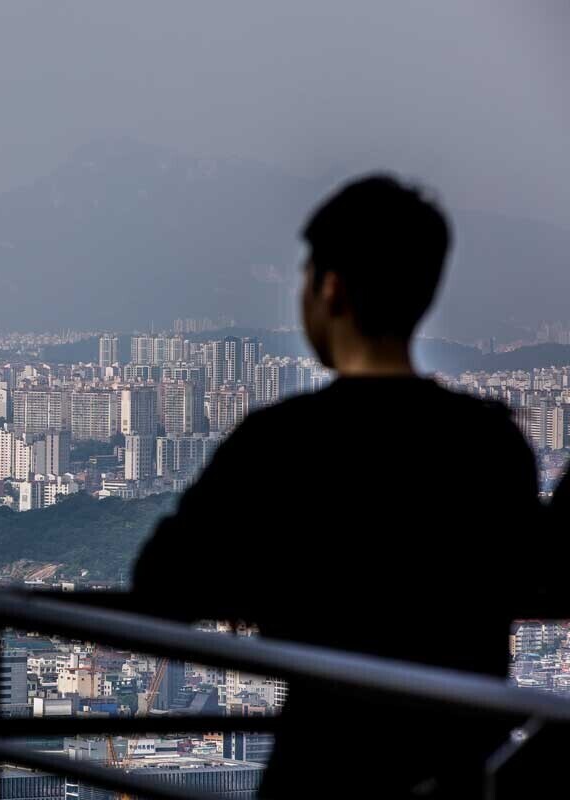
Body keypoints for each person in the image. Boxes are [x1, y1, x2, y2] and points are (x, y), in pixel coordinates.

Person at [133, 175, 543, 798]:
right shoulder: (490, 444)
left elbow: (164, 580)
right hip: (458, 773)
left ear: (330, 289)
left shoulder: (281, 442)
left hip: (322, 764)